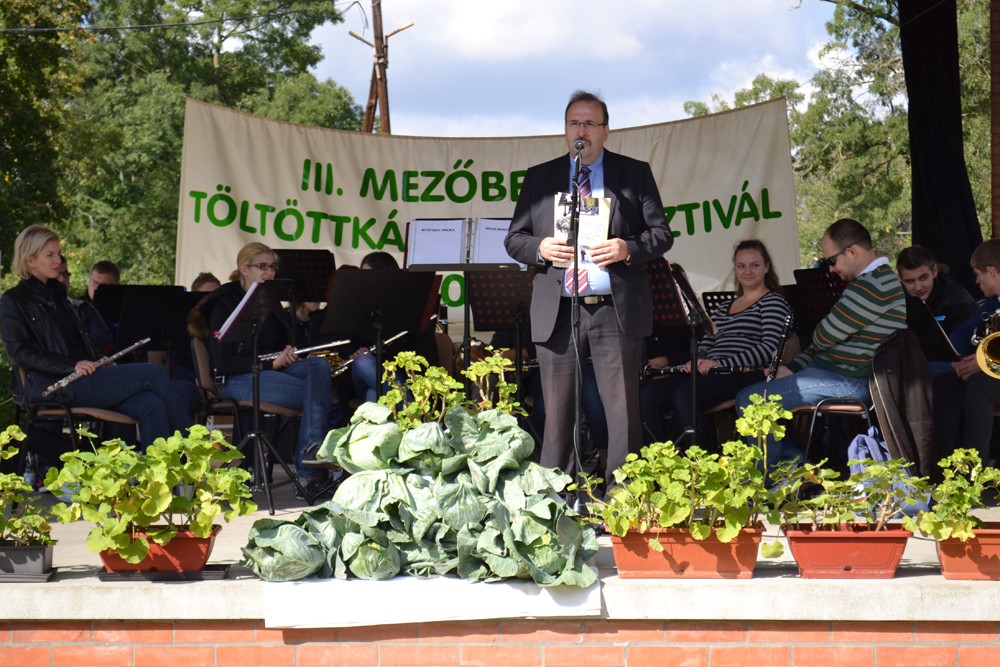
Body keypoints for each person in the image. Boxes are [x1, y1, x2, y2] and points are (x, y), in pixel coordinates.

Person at [504, 90, 673, 485]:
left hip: (613, 307)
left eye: (590, 123)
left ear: (606, 131)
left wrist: (627, 247)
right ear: (565, 131)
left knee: (621, 408)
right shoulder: (540, 178)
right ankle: (558, 492)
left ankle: (623, 494)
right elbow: (515, 239)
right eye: (574, 123)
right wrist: (540, 248)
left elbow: (662, 234)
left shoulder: (634, 174)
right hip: (560, 307)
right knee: (557, 408)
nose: (581, 131)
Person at [0, 225, 192, 450]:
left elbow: (78, 343)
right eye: (49, 255)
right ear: (30, 261)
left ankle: (155, 481)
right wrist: (72, 365)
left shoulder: (59, 296)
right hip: (55, 388)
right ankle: (197, 447)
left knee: (152, 404)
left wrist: (100, 358)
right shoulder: (13, 300)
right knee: (155, 372)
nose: (58, 260)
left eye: (58, 253)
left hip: (79, 380)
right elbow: (20, 352)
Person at [735, 218, 906, 469]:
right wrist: (792, 368)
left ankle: (772, 478)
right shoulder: (871, 282)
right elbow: (821, 345)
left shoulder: (873, 286)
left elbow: (822, 337)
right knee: (747, 395)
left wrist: (822, 333)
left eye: (831, 260)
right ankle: (793, 468)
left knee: (752, 400)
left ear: (852, 252)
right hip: (834, 373)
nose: (829, 269)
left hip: (853, 381)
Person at [199, 242, 338, 499]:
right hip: (235, 379)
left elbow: (276, 346)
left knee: (318, 366)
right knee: (317, 392)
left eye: (272, 267)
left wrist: (286, 354)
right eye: (262, 266)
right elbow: (223, 363)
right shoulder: (224, 303)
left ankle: (310, 455)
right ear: (243, 268)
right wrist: (268, 365)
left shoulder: (271, 301)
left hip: (269, 372)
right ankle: (309, 472)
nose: (269, 273)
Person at [640, 240, 792, 448]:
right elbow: (709, 339)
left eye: (754, 265)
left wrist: (722, 362)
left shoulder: (773, 301)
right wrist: (699, 358)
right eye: (741, 266)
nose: (747, 271)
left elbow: (769, 350)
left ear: (766, 267)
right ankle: (657, 462)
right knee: (649, 395)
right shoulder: (724, 306)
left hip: (744, 374)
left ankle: (703, 465)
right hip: (712, 372)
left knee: (686, 395)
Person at [932, 239, 1000, 466]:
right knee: (945, 384)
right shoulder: (990, 305)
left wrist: (981, 363)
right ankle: (942, 470)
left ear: (991, 271)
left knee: (979, 384)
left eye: (978, 274)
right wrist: (959, 362)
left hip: (990, 380)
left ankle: (973, 472)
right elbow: (958, 340)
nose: (977, 281)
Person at [897, 245, 977, 335]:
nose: (918, 287)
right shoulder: (895, 300)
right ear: (901, 280)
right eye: (910, 281)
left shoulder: (960, 303)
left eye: (923, 278)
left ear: (934, 271)